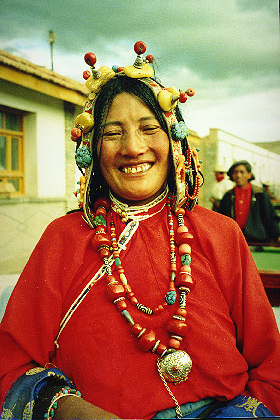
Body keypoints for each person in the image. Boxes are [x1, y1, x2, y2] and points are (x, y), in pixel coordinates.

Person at [0, 42, 279, 420]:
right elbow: (10, 365)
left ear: (174, 141)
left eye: (149, 129)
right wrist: (72, 411)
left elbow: (270, 366)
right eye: (113, 133)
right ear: (93, 149)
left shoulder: (220, 233)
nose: (133, 148)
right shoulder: (64, 238)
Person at [219, 160, 280, 244]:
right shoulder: (228, 196)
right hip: (235, 240)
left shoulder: (259, 194)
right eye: (235, 172)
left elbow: (269, 216)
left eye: (242, 172)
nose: (238, 175)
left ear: (249, 175)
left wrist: (276, 235)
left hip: (257, 240)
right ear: (232, 176)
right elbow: (221, 219)